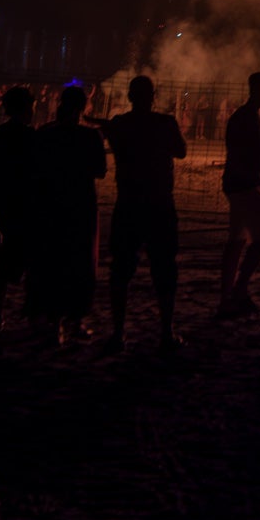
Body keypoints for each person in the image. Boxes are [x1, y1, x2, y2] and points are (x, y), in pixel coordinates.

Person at [102, 75, 187, 355]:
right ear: (153, 96)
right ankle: (166, 331)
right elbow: (182, 151)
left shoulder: (119, 124)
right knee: (164, 268)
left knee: (121, 270)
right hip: (159, 203)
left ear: (129, 96)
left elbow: (113, 138)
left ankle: (117, 333)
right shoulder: (165, 123)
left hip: (128, 203)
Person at [30, 85, 107, 342]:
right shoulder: (90, 136)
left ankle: (53, 320)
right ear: (84, 107)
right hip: (80, 206)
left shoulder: (44, 133)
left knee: (51, 260)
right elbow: (100, 170)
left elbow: (36, 167)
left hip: (49, 205)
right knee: (79, 262)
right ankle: (74, 320)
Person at [218, 72, 260, 318]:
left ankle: (227, 298)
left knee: (237, 241)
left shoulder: (249, 117)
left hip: (239, 183)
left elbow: (247, 153)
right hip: (243, 184)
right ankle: (240, 289)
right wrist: (258, 177)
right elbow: (241, 155)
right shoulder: (245, 118)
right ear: (255, 90)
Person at [0, 85, 39, 337]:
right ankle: (31, 316)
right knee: (31, 263)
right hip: (24, 207)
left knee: (1, 266)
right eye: (31, 107)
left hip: (2, 205)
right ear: (24, 108)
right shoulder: (29, 136)